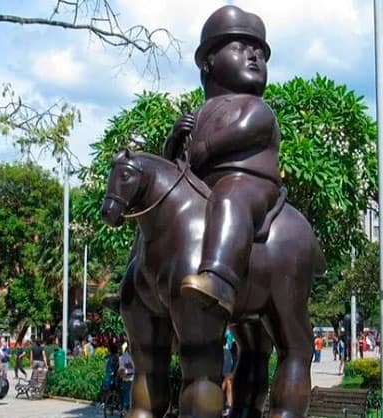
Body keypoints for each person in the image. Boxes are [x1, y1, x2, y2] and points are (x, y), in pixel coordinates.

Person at [163, 5, 281, 318]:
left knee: (229, 197)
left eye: (260, 53)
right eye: (241, 48)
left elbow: (250, 128)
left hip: (250, 184)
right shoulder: (199, 113)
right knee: (160, 209)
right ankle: (137, 282)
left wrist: (207, 147)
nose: (254, 56)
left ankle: (220, 280)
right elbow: (175, 165)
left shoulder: (255, 107)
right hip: (201, 188)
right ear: (209, 61)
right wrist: (174, 141)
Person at [118, 346, 135, 414]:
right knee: (126, 393)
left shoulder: (124, 357)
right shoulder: (124, 357)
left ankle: (125, 408)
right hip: (128, 378)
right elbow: (121, 369)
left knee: (126, 393)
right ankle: (125, 408)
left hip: (129, 378)